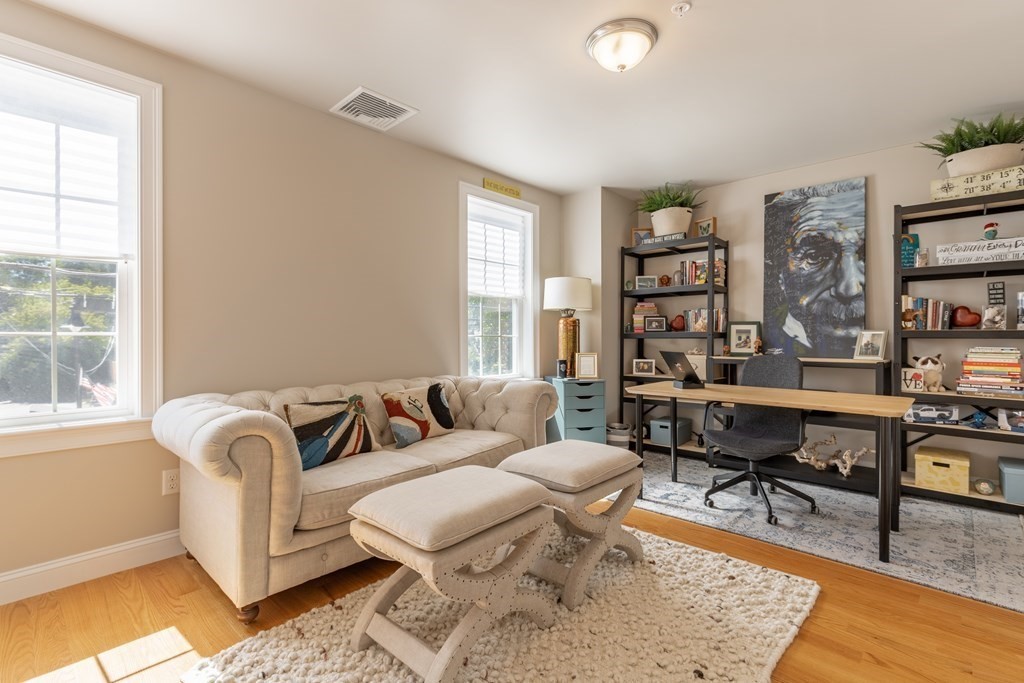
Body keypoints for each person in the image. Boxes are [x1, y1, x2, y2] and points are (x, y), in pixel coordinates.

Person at [763, 178, 865, 357]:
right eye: (815, 256)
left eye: (863, 256)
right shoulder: (769, 342)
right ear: (779, 270)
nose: (849, 289)